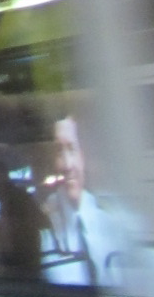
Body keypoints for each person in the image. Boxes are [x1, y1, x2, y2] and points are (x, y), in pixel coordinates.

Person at [42, 116, 126, 288]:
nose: (67, 165)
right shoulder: (43, 228)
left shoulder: (112, 220)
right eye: (59, 152)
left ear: (84, 154)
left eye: (72, 149)